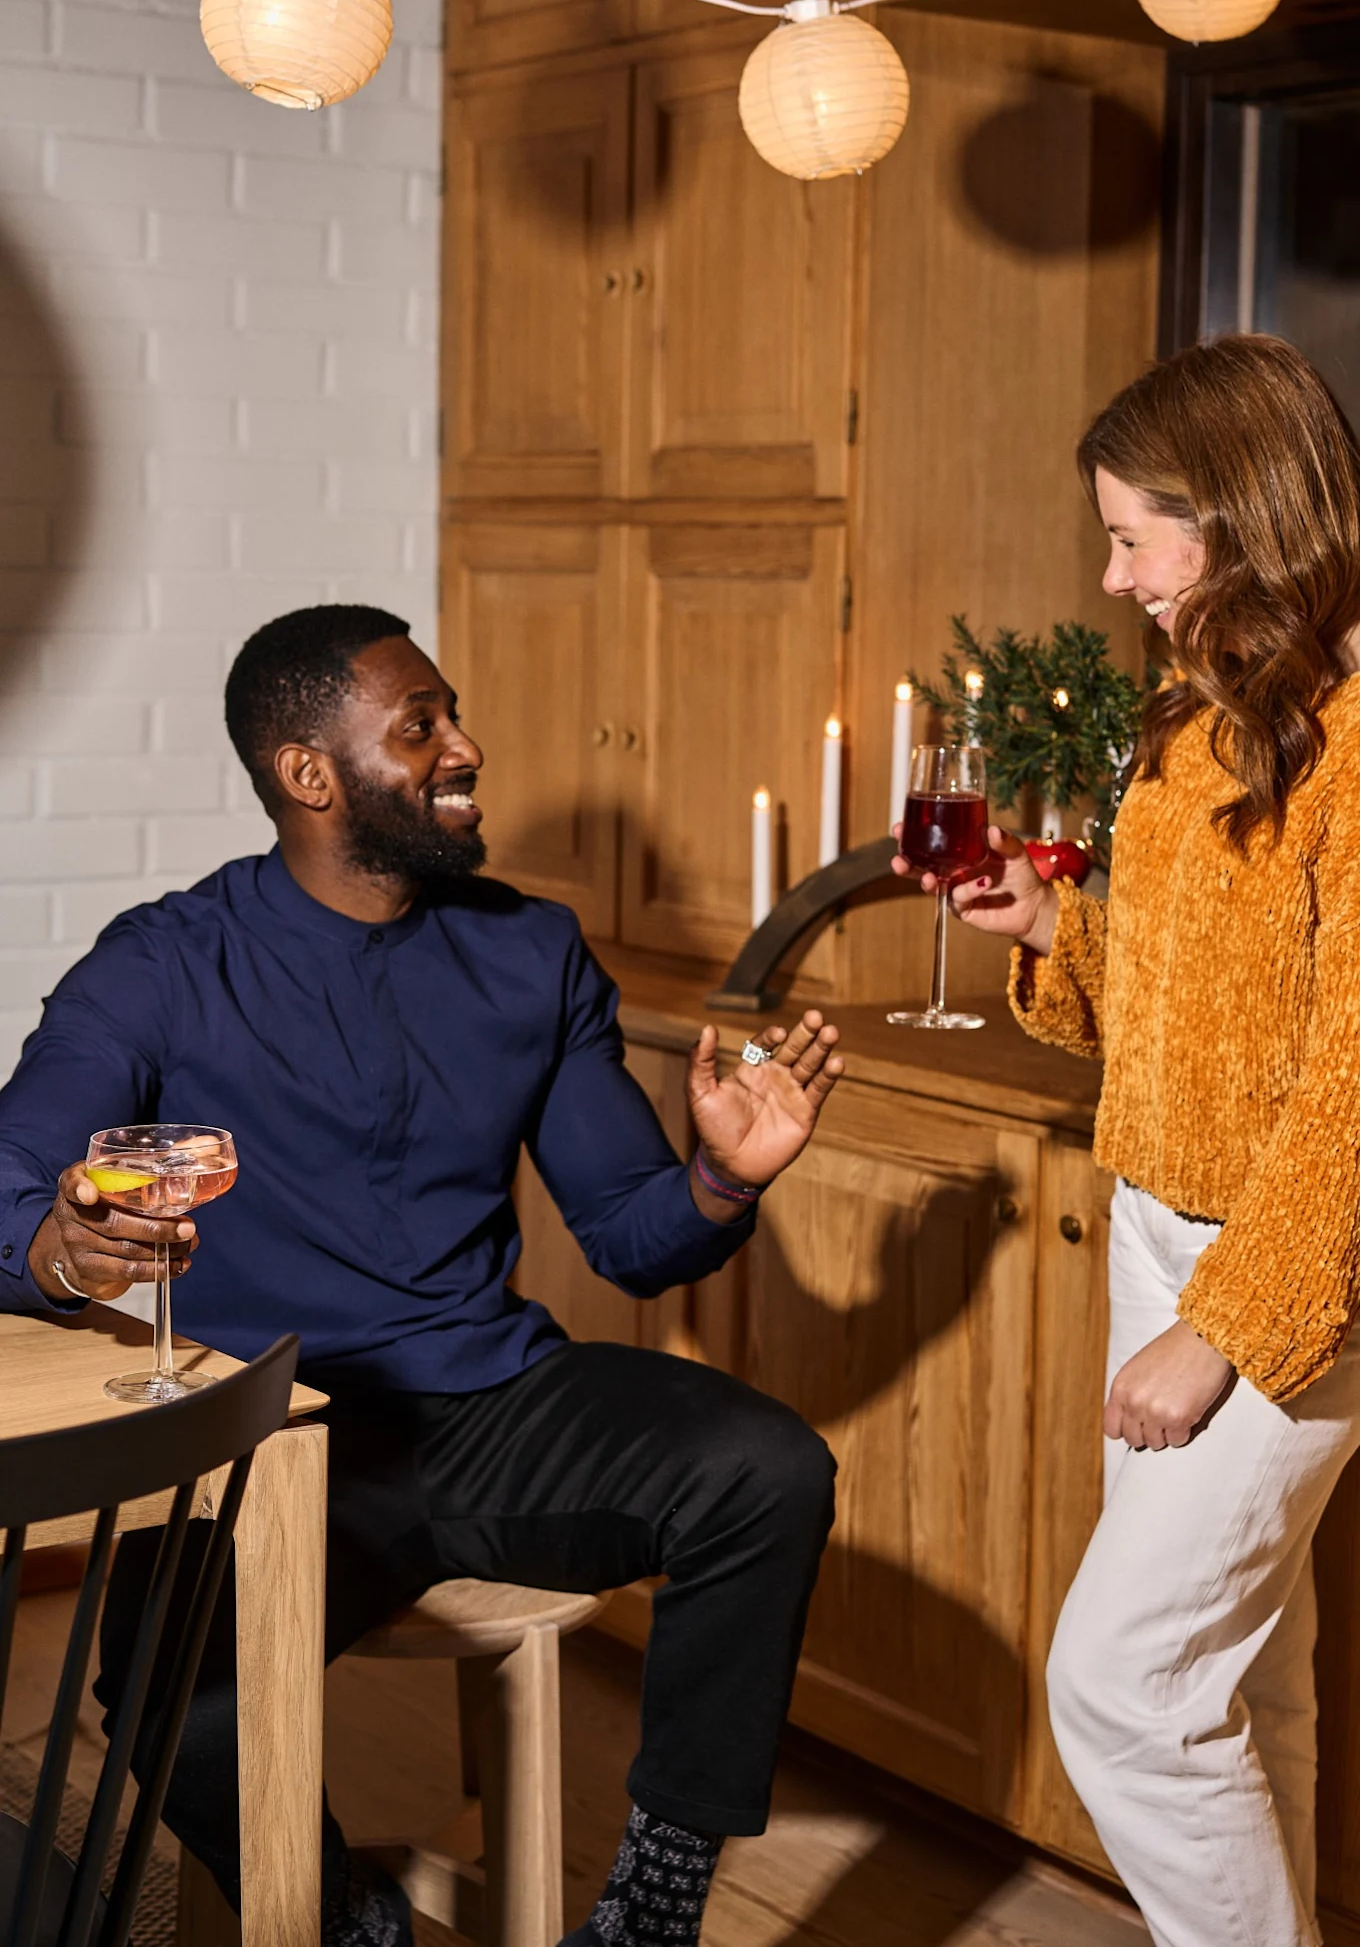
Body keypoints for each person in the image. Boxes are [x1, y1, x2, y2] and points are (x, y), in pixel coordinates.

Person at [0, 603, 846, 1947]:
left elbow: (630, 1232)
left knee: (769, 1468)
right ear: (310, 774)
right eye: (423, 727)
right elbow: (16, 1180)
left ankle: (652, 1907)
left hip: (491, 1403)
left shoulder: (530, 950)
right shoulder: (162, 963)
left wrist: (720, 1177)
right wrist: (60, 1244)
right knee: (168, 1700)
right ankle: (350, 1920)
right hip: (265, 1432)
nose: (468, 747)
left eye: (451, 714)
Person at [893, 334, 1360, 1947]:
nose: (1113, 574)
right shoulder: (1195, 719)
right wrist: (1057, 924)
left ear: (1237, 513)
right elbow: (1191, 1015)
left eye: (1131, 534)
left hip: (1286, 1272)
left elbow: (1354, 1082)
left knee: (1121, 1683)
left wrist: (1223, 1329)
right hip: (1161, 1227)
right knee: (1243, 1677)